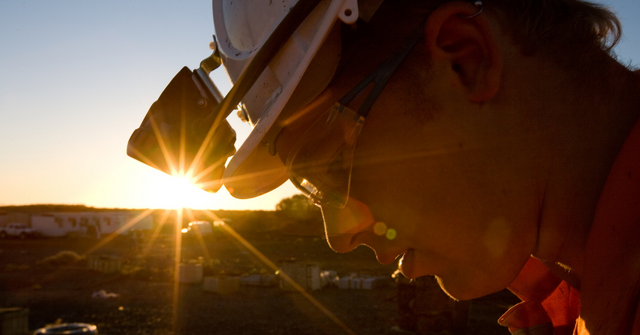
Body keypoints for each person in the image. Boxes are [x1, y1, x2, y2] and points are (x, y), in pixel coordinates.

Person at [148, 0, 640, 333]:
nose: (339, 238)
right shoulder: (592, 302)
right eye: (311, 188)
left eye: (333, 164)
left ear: (464, 59)